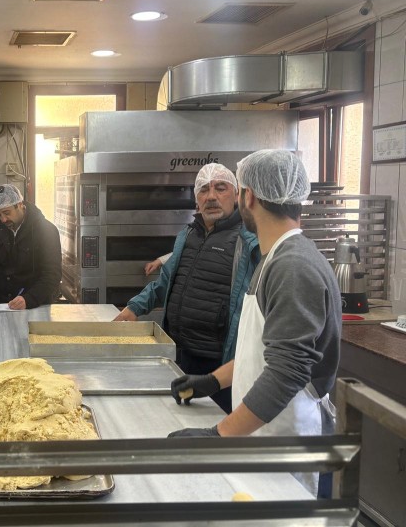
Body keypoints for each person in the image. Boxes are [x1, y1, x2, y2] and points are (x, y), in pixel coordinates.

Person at [168, 150, 341, 497]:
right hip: (263, 432)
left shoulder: (292, 266)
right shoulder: (274, 257)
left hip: (284, 440)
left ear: (249, 196)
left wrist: (219, 436)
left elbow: (287, 372)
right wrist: (214, 380)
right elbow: (265, 349)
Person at [113, 163, 260, 413]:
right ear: (196, 200)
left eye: (220, 188)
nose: (211, 196)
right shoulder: (188, 235)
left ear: (236, 195)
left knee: (216, 426)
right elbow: (166, 282)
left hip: (219, 366)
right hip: (179, 355)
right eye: (204, 190)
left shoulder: (248, 242)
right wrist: (135, 307)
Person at [0, 184, 61, 310]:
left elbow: (52, 274)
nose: (3, 220)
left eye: (7, 213)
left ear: (20, 205)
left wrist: (29, 299)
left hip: (36, 305)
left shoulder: (46, 230)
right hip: (2, 305)